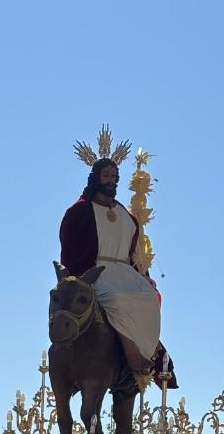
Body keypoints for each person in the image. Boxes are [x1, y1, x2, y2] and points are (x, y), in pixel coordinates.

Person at [59, 157, 162, 385]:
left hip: (124, 270)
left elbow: (134, 248)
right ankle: (132, 351)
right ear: (96, 177)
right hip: (96, 269)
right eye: (106, 176)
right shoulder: (81, 211)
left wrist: (142, 272)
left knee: (150, 298)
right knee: (116, 298)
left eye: (114, 177)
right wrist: (80, 276)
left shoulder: (125, 215)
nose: (110, 181)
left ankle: (151, 353)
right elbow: (71, 246)